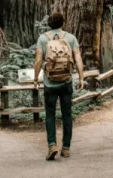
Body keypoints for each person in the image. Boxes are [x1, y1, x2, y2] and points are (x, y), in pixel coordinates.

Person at [33, 12, 85, 161]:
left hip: (50, 83)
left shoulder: (43, 39)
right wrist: (81, 77)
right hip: (66, 82)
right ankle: (66, 148)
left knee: (50, 115)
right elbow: (78, 58)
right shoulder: (70, 38)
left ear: (49, 23)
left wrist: (36, 79)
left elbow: (38, 60)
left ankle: (52, 145)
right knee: (67, 115)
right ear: (63, 23)